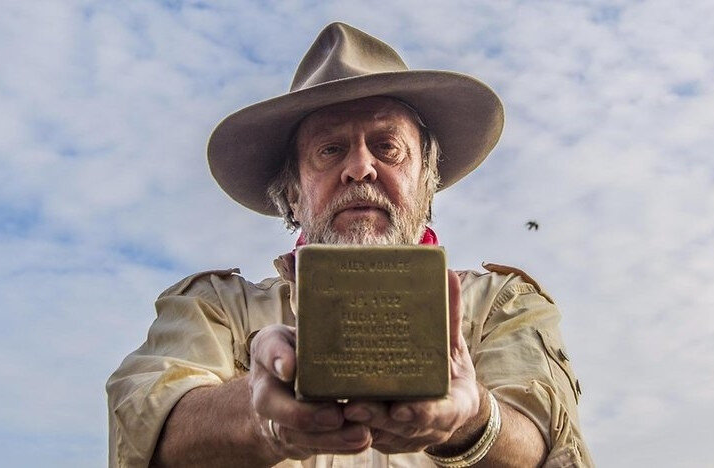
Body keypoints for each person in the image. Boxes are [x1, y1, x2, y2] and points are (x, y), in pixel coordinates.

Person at [106, 22, 593, 467]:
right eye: (330, 149)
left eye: (387, 147)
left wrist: (472, 419)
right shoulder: (215, 308)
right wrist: (259, 411)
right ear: (293, 196)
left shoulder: (501, 304)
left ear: (427, 183)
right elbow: (148, 427)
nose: (360, 168)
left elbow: (548, 443)